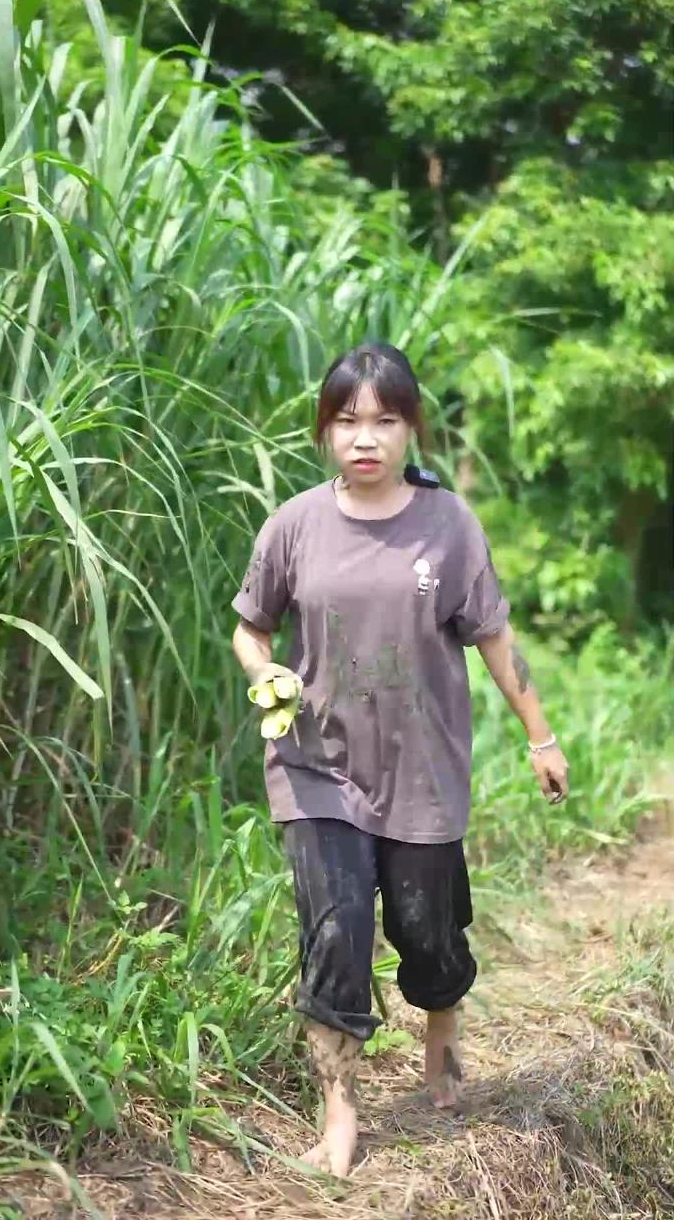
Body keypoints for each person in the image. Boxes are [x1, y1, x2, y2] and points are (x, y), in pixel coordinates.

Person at [230, 343, 569, 1177]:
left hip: (421, 772)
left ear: (412, 427)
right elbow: (250, 626)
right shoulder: (295, 525)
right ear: (324, 430)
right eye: (348, 421)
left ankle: (442, 1051)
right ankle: (339, 1119)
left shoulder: (448, 525)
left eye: (385, 419)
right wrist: (263, 668)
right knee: (335, 935)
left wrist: (541, 735)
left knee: (429, 937)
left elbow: (494, 639)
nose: (366, 437)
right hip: (316, 768)